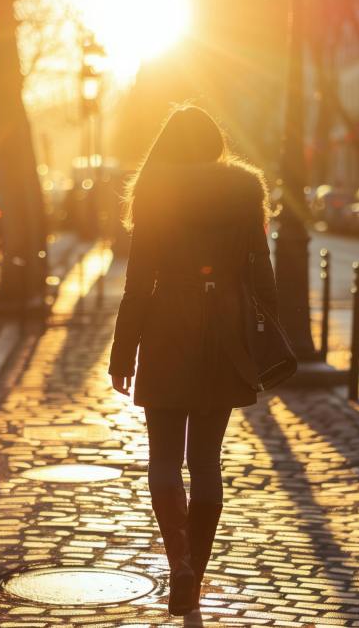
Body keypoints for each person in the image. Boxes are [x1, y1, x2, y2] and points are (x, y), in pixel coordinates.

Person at [108, 106, 278, 617]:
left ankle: (178, 563)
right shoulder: (245, 189)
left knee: (163, 459)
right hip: (224, 328)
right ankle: (196, 579)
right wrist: (268, 339)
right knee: (206, 461)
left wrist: (122, 354)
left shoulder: (155, 189)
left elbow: (137, 284)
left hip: (166, 328)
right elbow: (261, 274)